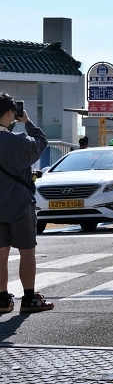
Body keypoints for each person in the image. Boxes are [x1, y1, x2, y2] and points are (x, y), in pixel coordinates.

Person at [0, 94, 52, 314]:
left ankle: (2, 299)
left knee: (0, 254)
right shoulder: (20, 140)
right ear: (11, 113)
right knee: (27, 252)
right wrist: (28, 122)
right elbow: (41, 142)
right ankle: (29, 297)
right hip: (20, 204)